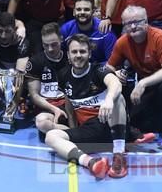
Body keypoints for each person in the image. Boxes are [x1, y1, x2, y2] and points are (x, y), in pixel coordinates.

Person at [106, 5, 162, 150]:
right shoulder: (122, 42)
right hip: (152, 85)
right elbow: (108, 68)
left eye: (138, 22)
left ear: (146, 22)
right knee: (135, 121)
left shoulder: (160, 38)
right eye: (128, 23)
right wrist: (114, 74)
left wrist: (142, 84)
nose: (133, 26)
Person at [45, 34, 127, 179]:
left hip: (109, 125)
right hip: (89, 131)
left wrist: (108, 99)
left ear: (89, 54)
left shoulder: (98, 70)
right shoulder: (63, 75)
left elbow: (115, 83)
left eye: (82, 51)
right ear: (68, 55)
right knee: (50, 136)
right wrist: (72, 126)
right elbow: (69, 103)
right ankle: (91, 162)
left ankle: (119, 154)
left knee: (117, 98)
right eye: (74, 52)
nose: (78, 55)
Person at [27, 23, 73, 138]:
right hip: (48, 107)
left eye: (54, 44)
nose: (50, 49)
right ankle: (72, 133)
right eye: (46, 45)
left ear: (61, 39)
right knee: (41, 122)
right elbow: (34, 95)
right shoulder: (35, 62)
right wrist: (55, 109)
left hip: (71, 105)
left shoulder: (71, 58)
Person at [60, 0, 116, 65]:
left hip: (97, 71)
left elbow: (111, 62)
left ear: (93, 12)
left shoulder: (105, 31)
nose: (82, 12)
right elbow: (60, 56)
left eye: (86, 9)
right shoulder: (65, 30)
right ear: (74, 12)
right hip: (74, 69)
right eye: (79, 9)